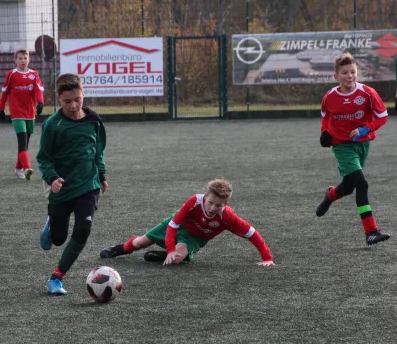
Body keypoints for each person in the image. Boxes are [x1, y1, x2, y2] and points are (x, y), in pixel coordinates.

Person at [37, 73, 108, 295]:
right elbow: (43, 158)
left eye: (78, 99)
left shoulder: (94, 120)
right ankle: (51, 223)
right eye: (68, 101)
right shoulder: (52, 125)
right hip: (62, 187)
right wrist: (52, 178)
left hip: (89, 185)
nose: (74, 105)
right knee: (58, 239)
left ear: (83, 95)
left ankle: (56, 278)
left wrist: (102, 175)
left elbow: (98, 151)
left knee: (83, 229)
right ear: (59, 99)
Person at [100, 179, 274, 266]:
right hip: (180, 225)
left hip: (194, 237)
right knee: (140, 242)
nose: (213, 208)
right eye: (211, 203)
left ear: (225, 204)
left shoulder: (228, 217)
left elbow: (252, 234)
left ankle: (169, 256)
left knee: (177, 259)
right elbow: (173, 226)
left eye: (218, 205)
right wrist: (169, 247)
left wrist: (267, 258)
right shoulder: (194, 202)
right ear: (205, 197)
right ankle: (119, 249)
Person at [316, 52, 389, 245]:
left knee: (348, 187)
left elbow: (382, 117)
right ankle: (371, 231)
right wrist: (325, 132)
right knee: (362, 184)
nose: (349, 76)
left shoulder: (367, 92)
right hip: (341, 145)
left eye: (353, 72)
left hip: (362, 144)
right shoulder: (330, 96)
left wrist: (365, 129)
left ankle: (330, 195)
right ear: (336, 76)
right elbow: (325, 114)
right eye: (345, 73)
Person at [0, 49, 45, 180]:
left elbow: (38, 91)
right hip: (17, 113)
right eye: (20, 58)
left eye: (25, 58)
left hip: (30, 113)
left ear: (29, 59)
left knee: (25, 143)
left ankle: (18, 169)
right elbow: (5, 93)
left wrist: (40, 102)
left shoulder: (34, 74)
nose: (23, 60)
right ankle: (28, 168)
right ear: (15, 60)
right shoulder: (11, 74)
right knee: (22, 140)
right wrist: (1, 109)